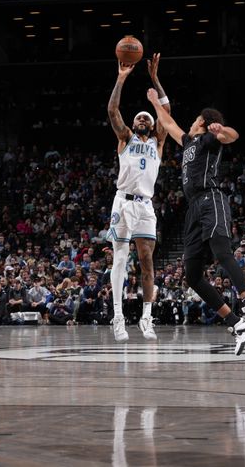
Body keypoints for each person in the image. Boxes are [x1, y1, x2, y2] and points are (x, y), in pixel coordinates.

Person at [146, 88, 245, 356]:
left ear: (202, 121)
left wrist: (221, 129)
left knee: (223, 253)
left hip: (211, 199)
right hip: (193, 209)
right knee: (192, 276)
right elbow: (168, 123)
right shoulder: (189, 142)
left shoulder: (209, 140)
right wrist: (155, 102)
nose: (190, 122)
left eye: (194, 119)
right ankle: (235, 323)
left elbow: (232, 137)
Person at [106, 53, 169, 342]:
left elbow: (166, 111)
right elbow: (113, 111)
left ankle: (146, 317)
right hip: (124, 202)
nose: (143, 119)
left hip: (146, 205)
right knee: (120, 258)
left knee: (146, 260)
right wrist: (121, 79)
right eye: (139, 117)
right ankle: (118, 317)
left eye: (147, 117)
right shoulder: (126, 139)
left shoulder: (158, 142)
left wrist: (155, 78)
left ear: (153, 124)